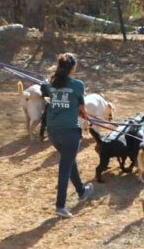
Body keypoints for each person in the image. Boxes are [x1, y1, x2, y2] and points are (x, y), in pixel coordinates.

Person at [45, 53, 94, 218]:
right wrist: (85, 116)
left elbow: (46, 90)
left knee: (69, 159)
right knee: (65, 167)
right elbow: (82, 108)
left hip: (52, 131)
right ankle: (60, 206)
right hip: (70, 131)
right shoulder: (78, 85)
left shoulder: (51, 83)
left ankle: (81, 191)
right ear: (73, 67)